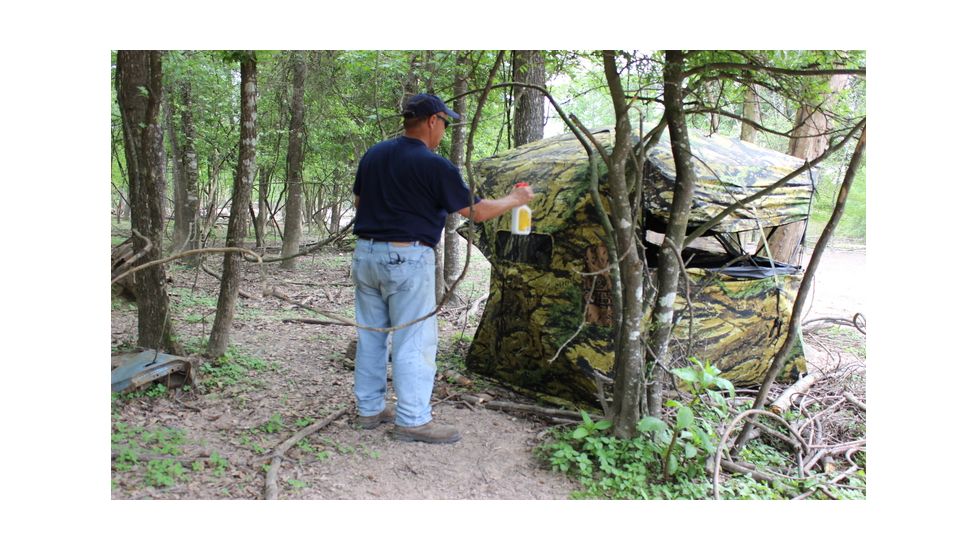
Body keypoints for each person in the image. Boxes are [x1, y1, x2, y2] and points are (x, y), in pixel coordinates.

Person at [351, 93, 534, 444]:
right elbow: (476, 212)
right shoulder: (435, 165)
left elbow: (360, 202)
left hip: (365, 255)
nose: (444, 131)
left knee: (371, 337)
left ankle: (369, 410)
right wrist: (516, 200)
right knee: (414, 340)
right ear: (433, 120)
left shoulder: (374, 154)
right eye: (445, 123)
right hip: (406, 258)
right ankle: (412, 420)